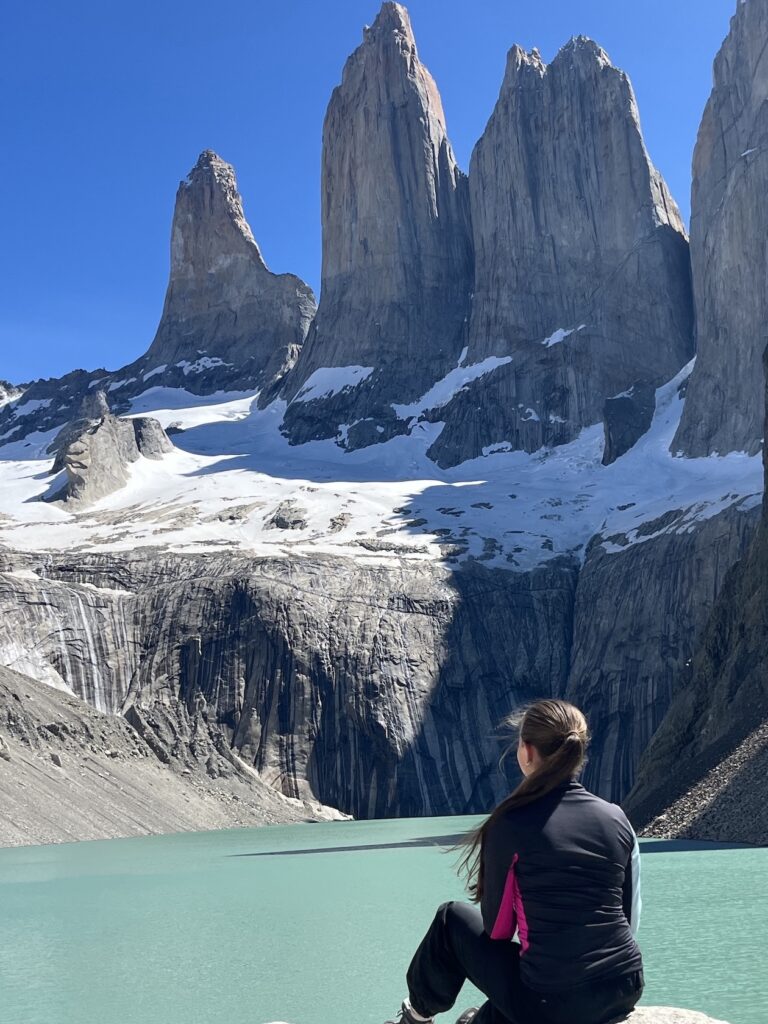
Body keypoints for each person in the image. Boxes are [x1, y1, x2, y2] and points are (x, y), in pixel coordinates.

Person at [384, 699, 643, 1024]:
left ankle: (415, 1017)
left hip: (551, 1002)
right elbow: (628, 921)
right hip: (624, 987)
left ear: (527, 752)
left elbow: (498, 930)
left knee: (451, 919)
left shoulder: (511, 823)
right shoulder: (618, 819)